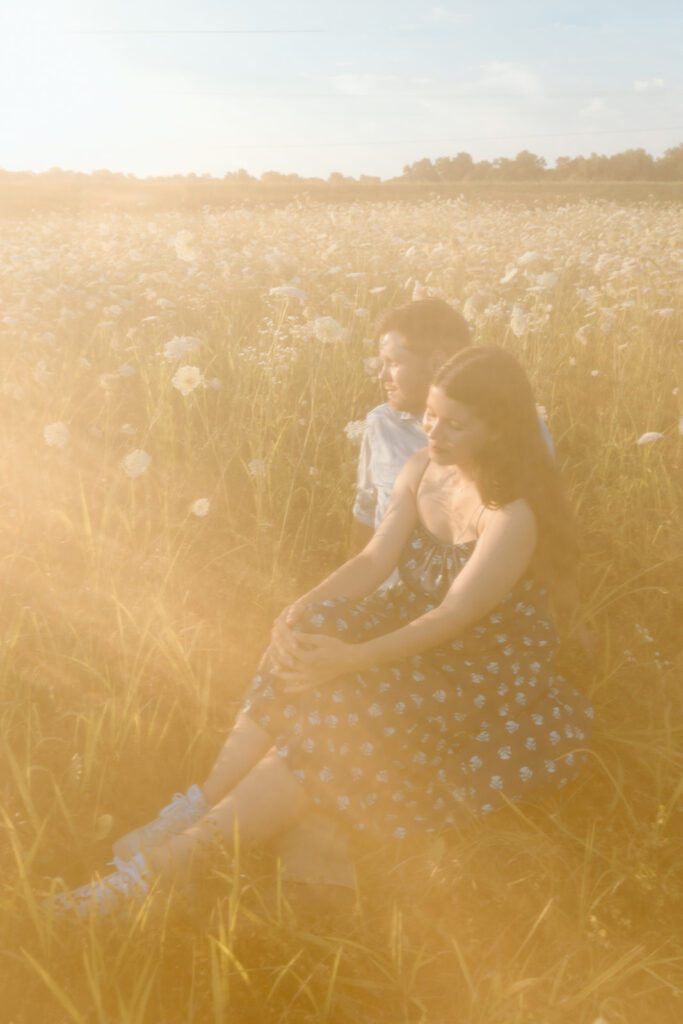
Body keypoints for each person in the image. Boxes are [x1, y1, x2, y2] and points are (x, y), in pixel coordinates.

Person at [45, 346, 594, 919]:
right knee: (311, 630)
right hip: (413, 618)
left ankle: (161, 873)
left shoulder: (512, 516)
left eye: (455, 423)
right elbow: (373, 561)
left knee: (344, 707)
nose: (434, 430)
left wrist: (351, 660)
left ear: (499, 430)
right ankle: (200, 803)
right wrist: (298, 607)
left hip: (479, 660)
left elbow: (454, 617)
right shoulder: (423, 470)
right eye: (431, 414)